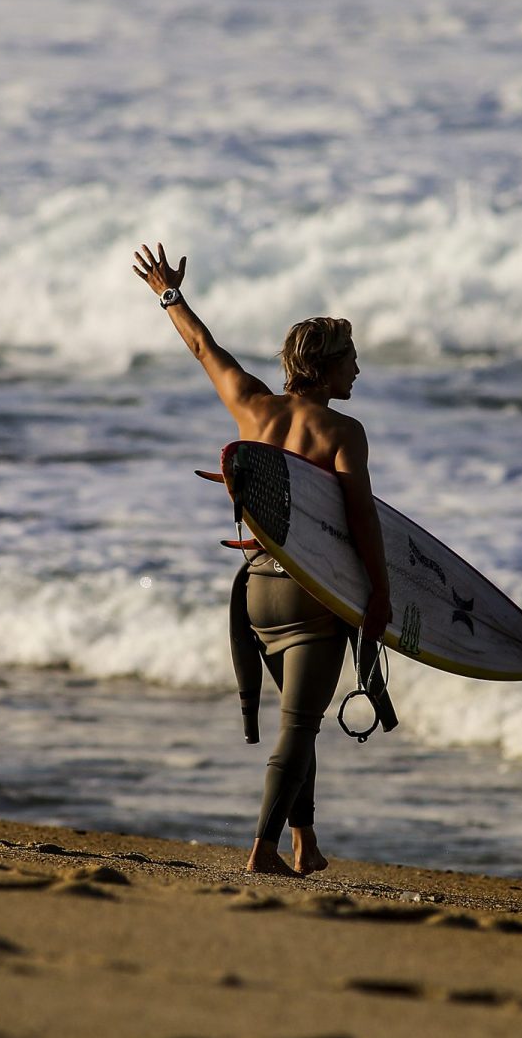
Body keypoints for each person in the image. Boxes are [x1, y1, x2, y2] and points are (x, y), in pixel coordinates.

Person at [132, 242, 391, 878]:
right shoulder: (342, 434)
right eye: (350, 362)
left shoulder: (251, 405)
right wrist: (379, 597)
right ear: (326, 371)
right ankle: (263, 850)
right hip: (311, 596)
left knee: (299, 721)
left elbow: (202, 347)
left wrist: (169, 294)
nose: (357, 373)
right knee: (299, 727)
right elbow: (361, 521)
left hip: (254, 590)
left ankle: (304, 844)